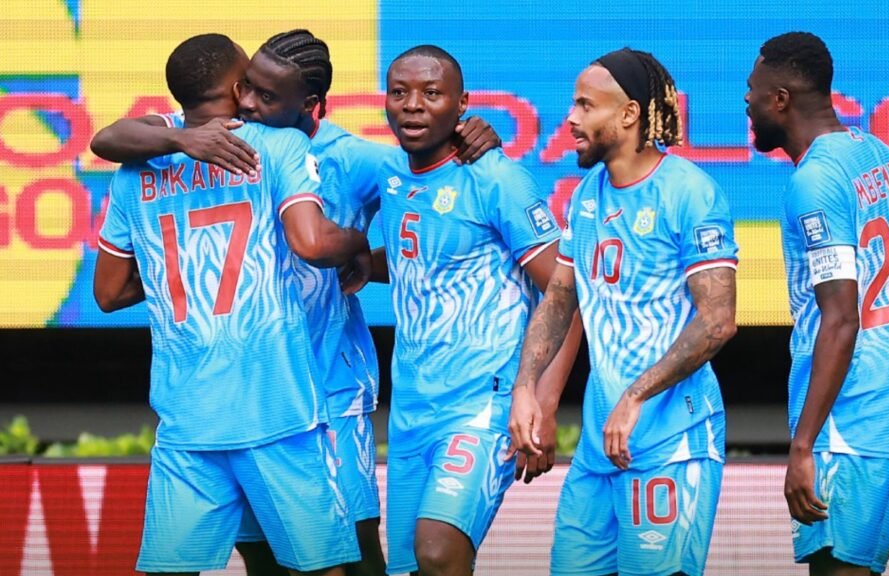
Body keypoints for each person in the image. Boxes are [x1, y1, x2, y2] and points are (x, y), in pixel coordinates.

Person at [90, 29, 502, 576]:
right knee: (267, 553)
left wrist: (470, 136)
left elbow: (435, 184)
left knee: (353, 544)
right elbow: (107, 138)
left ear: (310, 104)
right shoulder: (198, 139)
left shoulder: (352, 158)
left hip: (328, 384)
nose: (248, 102)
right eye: (246, 87)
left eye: (263, 93)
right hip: (258, 392)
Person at [92, 33, 369, 576]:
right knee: (322, 567)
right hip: (278, 408)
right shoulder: (277, 146)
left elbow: (108, 293)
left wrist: (181, 266)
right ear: (240, 87)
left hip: (187, 415)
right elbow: (312, 244)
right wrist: (356, 242)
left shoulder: (137, 166)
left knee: (172, 570)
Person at [508, 47, 738, 576]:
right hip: (598, 450)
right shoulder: (587, 193)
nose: (571, 119)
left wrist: (636, 395)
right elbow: (559, 300)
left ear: (630, 114)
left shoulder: (691, 192)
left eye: (586, 106)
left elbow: (718, 320)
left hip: (671, 444)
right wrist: (526, 388)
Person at [744, 31, 889, 575]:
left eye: (753, 90)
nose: (745, 101)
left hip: (845, 428)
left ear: (781, 99)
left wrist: (802, 445)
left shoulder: (814, 181)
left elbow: (840, 318)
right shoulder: (887, 159)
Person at [375, 44, 580, 576]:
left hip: (482, 405)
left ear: (462, 103)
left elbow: (567, 295)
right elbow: (428, 252)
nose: (413, 105)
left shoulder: (496, 179)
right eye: (399, 93)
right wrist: (360, 263)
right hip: (412, 411)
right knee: (414, 567)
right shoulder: (390, 173)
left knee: (437, 550)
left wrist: (543, 404)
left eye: (431, 93)